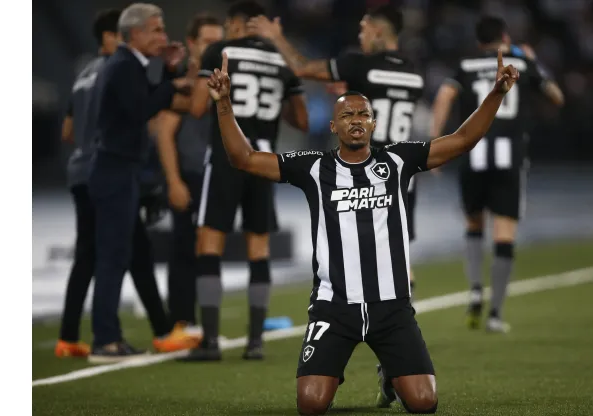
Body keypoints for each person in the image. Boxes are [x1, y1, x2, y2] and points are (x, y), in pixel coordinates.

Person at [205, 47, 519, 414]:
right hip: (333, 308)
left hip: (392, 308)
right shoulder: (313, 167)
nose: (356, 120)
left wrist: (496, 94)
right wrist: (224, 104)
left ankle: (391, 374)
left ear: (373, 123)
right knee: (310, 404)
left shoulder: (399, 160)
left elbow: (463, 140)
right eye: (347, 115)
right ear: (334, 126)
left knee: (424, 402)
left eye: (363, 114)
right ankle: (354, 368)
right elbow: (242, 158)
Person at [248, 4, 423, 295]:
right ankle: (401, 315)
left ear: (378, 30)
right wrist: (348, 92)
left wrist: (276, 37)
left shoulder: (359, 64)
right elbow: (377, 94)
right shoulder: (413, 73)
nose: (361, 37)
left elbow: (302, 67)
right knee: (396, 252)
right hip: (403, 173)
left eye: (364, 30)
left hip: (365, 172)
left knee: (350, 254)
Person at [55, 8, 199, 360]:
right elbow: (141, 109)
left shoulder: (122, 64)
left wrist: (167, 73)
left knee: (123, 254)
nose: (164, 37)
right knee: (113, 257)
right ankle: (106, 339)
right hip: (114, 171)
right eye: (156, 30)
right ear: (133, 34)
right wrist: (170, 84)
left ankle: (128, 332)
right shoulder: (122, 65)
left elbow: (140, 100)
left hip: (112, 171)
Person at [179, 0, 309, 362]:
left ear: (234, 24)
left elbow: (196, 107)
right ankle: (255, 342)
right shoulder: (282, 59)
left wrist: (195, 72)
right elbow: (300, 120)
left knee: (209, 244)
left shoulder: (219, 50)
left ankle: (210, 341)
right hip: (265, 157)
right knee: (259, 249)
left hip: (226, 153)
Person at [429, 16, 564, 333]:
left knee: (474, 224)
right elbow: (557, 96)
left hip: (472, 152)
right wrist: (532, 62)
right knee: (504, 233)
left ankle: (475, 289)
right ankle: (496, 313)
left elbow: (444, 96)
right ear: (505, 37)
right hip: (510, 156)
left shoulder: (464, 63)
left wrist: (436, 142)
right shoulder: (520, 61)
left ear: (478, 41)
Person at [155, 12, 223, 332]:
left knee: (206, 249)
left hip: (214, 174)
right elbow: (164, 133)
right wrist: (174, 181)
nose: (215, 47)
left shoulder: (222, 80)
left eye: (219, 41)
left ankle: (200, 321)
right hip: (190, 174)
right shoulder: (181, 81)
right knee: (184, 247)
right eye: (208, 41)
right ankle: (181, 320)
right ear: (193, 44)